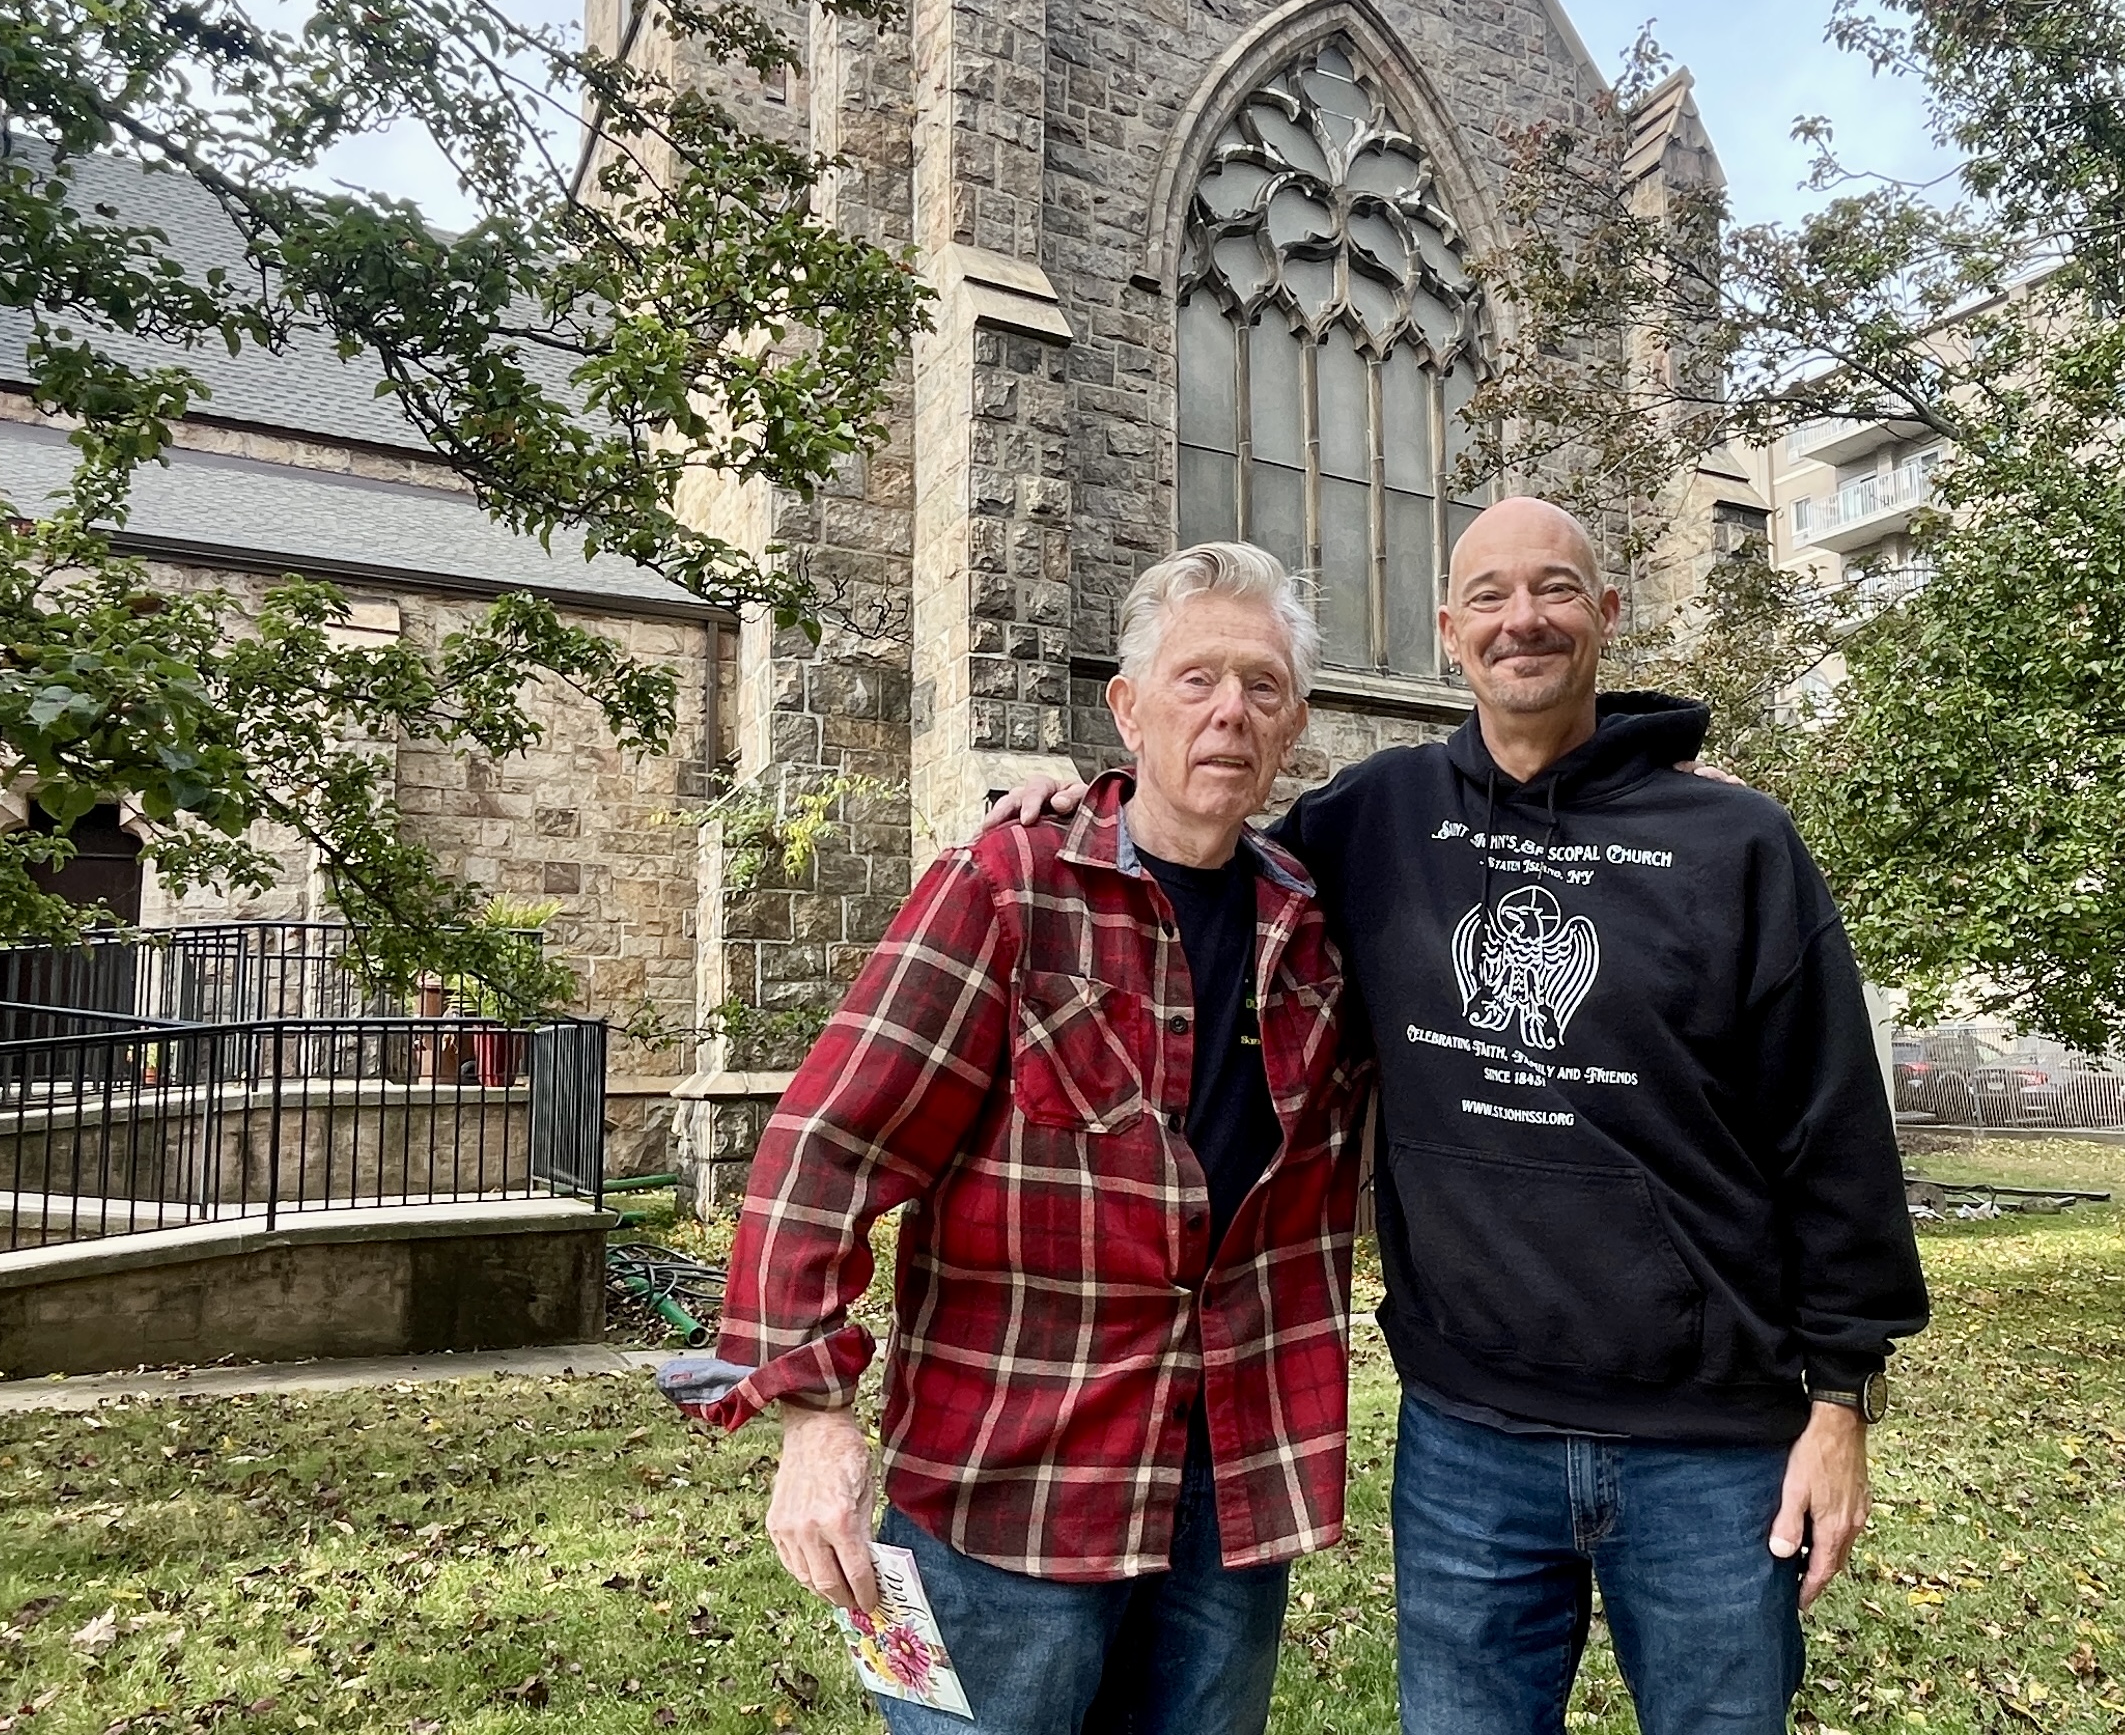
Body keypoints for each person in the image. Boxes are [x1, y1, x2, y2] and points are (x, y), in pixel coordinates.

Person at [991, 498, 1929, 1735]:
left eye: (1553, 591)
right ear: (1448, 630)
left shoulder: (1733, 840)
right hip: (1468, 1441)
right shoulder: (1375, 819)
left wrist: (1839, 1402)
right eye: (1487, 595)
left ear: (1605, 616)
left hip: (1709, 1444)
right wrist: (1081, 804)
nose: (1519, 619)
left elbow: (1832, 1126)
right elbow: (1201, 845)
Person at [685, 543, 1372, 1735]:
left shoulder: (1316, 926)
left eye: (1262, 687)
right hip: (1011, 1481)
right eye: (1195, 677)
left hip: (1234, 1483)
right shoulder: (1010, 885)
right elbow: (826, 1141)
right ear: (1126, 706)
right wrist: (808, 1414)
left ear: (1296, 722)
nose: (1229, 711)